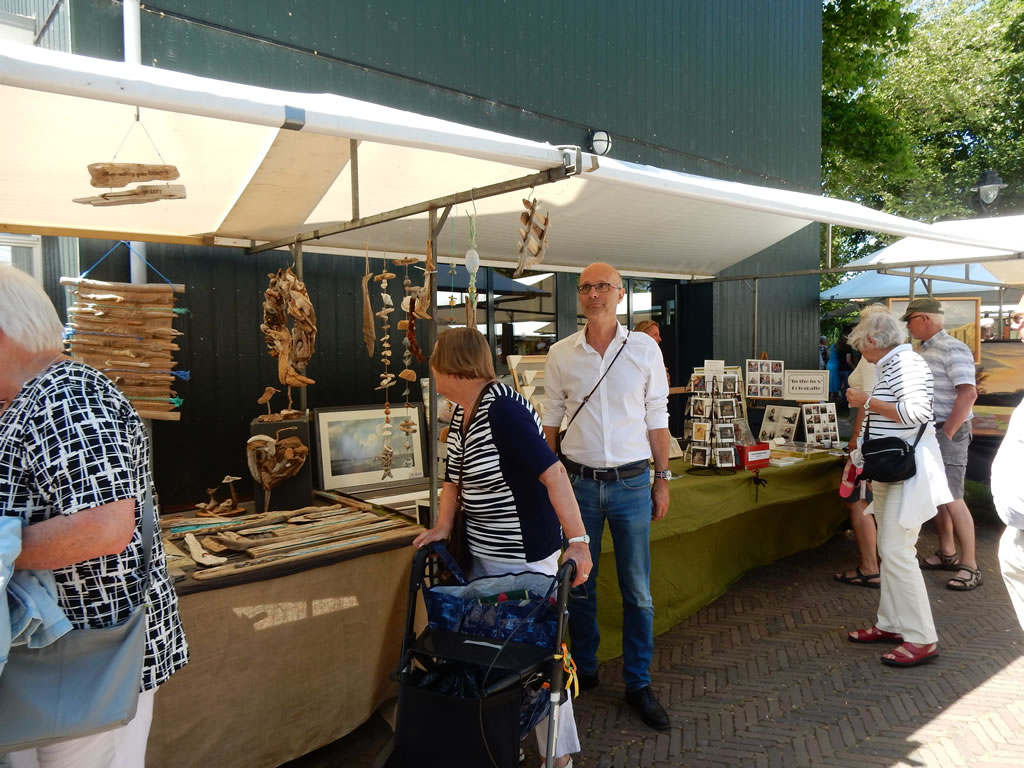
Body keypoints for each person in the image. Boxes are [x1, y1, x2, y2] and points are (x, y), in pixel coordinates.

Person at [0, 264, 189, 768]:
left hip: (89, 662)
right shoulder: (36, 396)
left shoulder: (67, 395)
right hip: (59, 662)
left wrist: (3, 550)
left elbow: (102, 527)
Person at [413, 327, 592, 768]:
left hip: (521, 558)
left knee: (539, 658)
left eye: (435, 358)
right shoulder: (463, 412)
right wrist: (442, 527)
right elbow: (452, 480)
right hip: (485, 557)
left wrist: (579, 542)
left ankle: (559, 758)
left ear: (453, 365)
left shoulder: (503, 410)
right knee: (497, 658)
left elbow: (554, 474)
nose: (431, 366)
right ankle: (504, 739)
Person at [541, 262, 671, 731]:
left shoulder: (644, 349)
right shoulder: (561, 353)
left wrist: (663, 477)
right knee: (580, 584)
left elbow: (657, 415)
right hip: (577, 485)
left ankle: (638, 682)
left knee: (638, 591)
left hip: (633, 483)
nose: (593, 294)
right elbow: (550, 419)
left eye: (602, 286)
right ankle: (586, 668)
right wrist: (547, 480)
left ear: (620, 294)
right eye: (585, 287)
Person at [845, 310, 950, 667]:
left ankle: (922, 637)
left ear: (872, 341)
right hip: (894, 469)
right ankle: (891, 623)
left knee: (897, 550)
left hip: (908, 471)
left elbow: (917, 413)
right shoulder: (895, 364)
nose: (861, 354)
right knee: (891, 550)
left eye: (861, 347)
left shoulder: (906, 364)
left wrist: (866, 401)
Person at [904, 297, 982, 591]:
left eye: (910, 321)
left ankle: (970, 565)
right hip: (931, 431)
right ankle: (948, 552)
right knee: (939, 495)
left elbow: (968, 393)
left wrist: (946, 433)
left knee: (952, 496)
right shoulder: (925, 350)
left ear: (923, 318)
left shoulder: (952, 348)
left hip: (946, 431)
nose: (908, 327)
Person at [834, 305, 887, 590]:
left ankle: (870, 567)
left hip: (869, 439)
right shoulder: (892, 357)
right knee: (871, 501)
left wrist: (855, 439)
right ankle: (881, 564)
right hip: (883, 438)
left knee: (859, 500)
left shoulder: (870, 359)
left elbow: (867, 403)